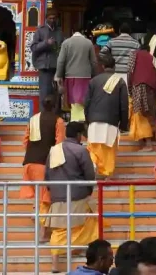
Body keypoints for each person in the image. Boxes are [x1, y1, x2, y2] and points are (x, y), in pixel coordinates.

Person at [46, 122, 98, 273]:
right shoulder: (81, 150)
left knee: (59, 230)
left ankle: (55, 264)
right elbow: (89, 175)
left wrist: (53, 192)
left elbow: (47, 175)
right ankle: (78, 247)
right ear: (78, 135)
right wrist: (88, 191)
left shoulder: (53, 150)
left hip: (57, 196)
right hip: (78, 195)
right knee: (92, 219)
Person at [22, 95, 66, 241]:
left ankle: (35, 212)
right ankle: (43, 233)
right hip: (44, 164)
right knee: (46, 199)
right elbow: (59, 144)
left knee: (39, 196)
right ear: (55, 106)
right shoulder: (58, 121)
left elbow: (25, 141)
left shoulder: (33, 119)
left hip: (29, 163)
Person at [83, 53, 130, 177]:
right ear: (114, 67)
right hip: (111, 121)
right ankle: (107, 175)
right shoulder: (120, 81)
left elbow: (86, 102)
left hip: (94, 121)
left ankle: (93, 170)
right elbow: (124, 105)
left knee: (94, 148)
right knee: (108, 150)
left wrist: (87, 120)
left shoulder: (93, 81)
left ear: (103, 66)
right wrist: (124, 124)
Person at [56, 29, 100, 122]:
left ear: (72, 33)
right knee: (83, 99)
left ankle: (77, 121)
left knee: (74, 101)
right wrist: (94, 75)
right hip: (85, 76)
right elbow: (94, 62)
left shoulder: (66, 43)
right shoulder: (88, 43)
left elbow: (61, 61)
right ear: (82, 33)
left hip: (70, 76)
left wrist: (59, 75)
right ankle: (81, 120)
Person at [129, 36, 156, 150]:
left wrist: (129, 88)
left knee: (140, 114)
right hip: (151, 89)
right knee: (149, 114)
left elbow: (130, 70)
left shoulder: (135, 55)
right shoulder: (152, 58)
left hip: (138, 87)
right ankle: (149, 141)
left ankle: (147, 143)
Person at [32, 12, 63, 104]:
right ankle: (44, 116)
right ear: (46, 19)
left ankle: (54, 116)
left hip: (56, 66)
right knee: (45, 93)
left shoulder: (59, 32)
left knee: (56, 93)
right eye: (50, 18)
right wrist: (46, 43)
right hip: (44, 66)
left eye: (54, 18)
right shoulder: (40, 31)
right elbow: (33, 47)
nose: (52, 20)